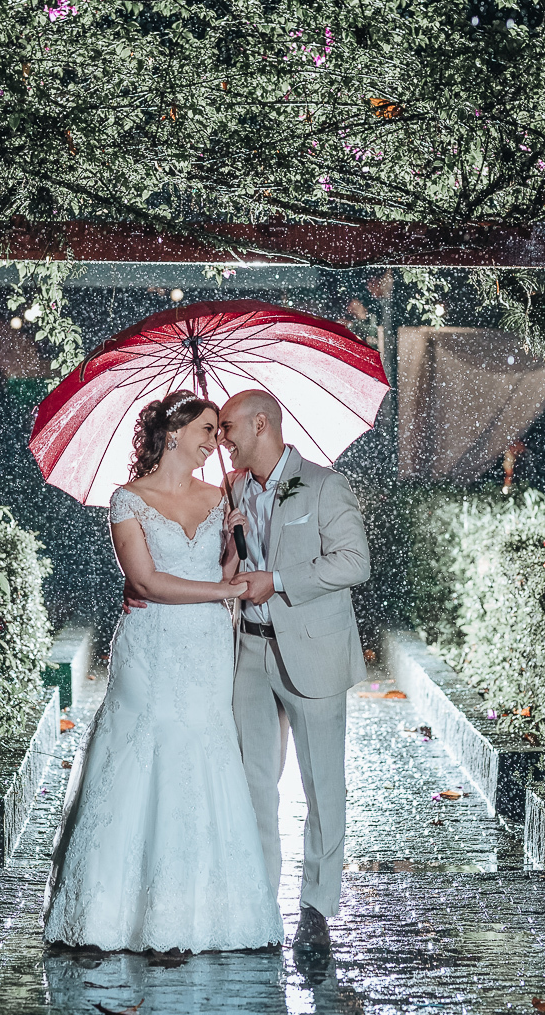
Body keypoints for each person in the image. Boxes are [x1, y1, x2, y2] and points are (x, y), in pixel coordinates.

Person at [43, 390, 283, 953]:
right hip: (151, 646)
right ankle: (115, 913)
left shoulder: (221, 496)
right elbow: (145, 581)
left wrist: (231, 551)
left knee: (204, 754)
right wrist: (223, 591)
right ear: (173, 434)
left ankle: (202, 913)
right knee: (142, 751)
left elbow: (223, 572)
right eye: (206, 430)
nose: (215, 441)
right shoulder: (128, 500)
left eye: (218, 431)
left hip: (206, 648)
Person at [218, 390, 370, 955]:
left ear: (262, 424)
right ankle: (260, 901)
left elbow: (355, 562)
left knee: (322, 785)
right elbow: (226, 573)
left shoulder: (325, 485)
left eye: (229, 428)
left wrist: (277, 580)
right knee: (253, 782)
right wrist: (230, 552)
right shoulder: (232, 490)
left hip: (315, 651)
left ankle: (317, 906)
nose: (222, 440)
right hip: (249, 651)